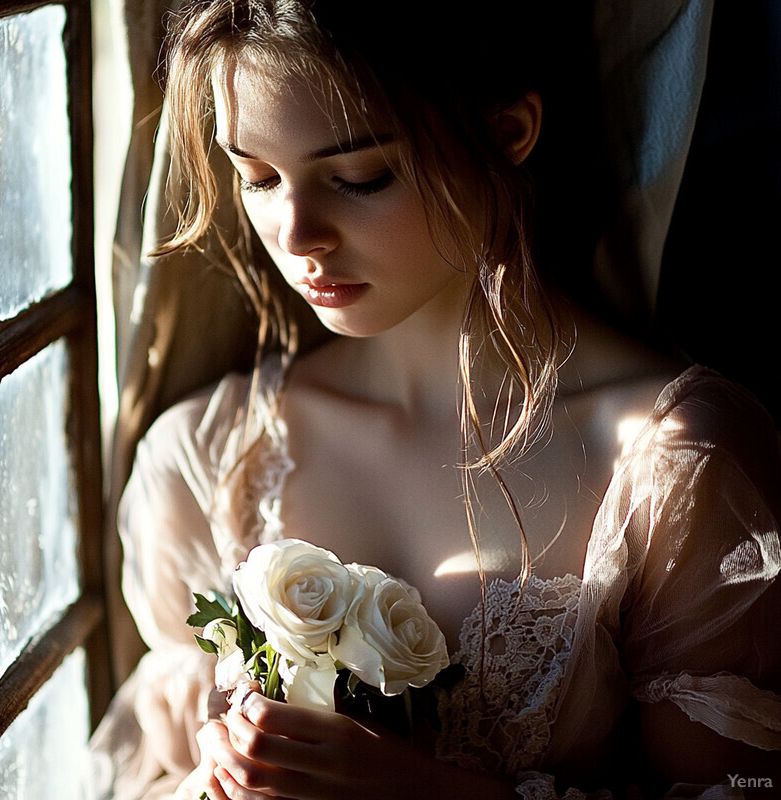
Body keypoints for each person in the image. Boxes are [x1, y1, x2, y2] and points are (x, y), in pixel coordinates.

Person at [99, 1, 781, 797]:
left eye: (359, 178)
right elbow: (149, 762)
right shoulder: (207, 459)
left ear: (507, 131)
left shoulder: (679, 465)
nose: (296, 234)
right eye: (256, 177)